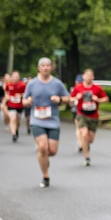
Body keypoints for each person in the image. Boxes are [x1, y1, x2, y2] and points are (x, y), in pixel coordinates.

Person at [22, 58, 72, 188]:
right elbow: (24, 100)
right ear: (39, 68)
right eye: (43, 66)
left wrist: (59, 99)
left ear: (51, 68)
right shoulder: (32, 84)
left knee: (52, 151)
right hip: (37, 120)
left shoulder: (57, 84)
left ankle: (43, 158)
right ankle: (46, 176)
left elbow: (69, 99)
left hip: (53, 121)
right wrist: (27, 102)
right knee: (43, 147)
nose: (45, 68)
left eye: (48, 66)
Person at [70, 69, 109, 167]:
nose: (88, 77)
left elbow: (106, 99)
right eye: (86, 75)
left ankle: (85, 146)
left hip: (93, 116)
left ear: (93, 77)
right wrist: (76, 98)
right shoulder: (78, 87)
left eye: (90, 75)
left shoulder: (97, 88)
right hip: (81, 114)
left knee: (90, 139)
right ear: (83, 76)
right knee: (84, 134)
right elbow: (70, 99)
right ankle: (86, 157)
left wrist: (98, 99)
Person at [4, 71, 27, 142]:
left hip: (20, 105)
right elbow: (6, 92)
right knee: (12, 119)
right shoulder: (9, 85)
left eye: (17, 77)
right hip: (11, 104)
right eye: (14, 76)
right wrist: (7, 96)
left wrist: (21, 95)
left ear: (19, 77)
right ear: (12, 77)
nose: (15, 78)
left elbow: (26, 93)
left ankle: (16, 130)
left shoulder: (22, 85)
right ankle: (13, 134)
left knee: (18, 121)